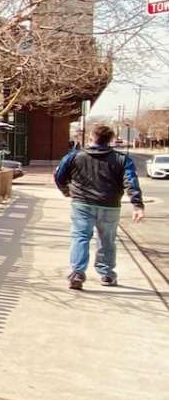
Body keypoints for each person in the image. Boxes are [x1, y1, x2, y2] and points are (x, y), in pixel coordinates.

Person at [55, 124, 144, 290]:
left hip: (82, 203)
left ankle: (77, 273)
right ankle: (107, 274)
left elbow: (59, 175)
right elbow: (131, 181)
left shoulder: (75, 156)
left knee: (80, 236)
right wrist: (137, 204)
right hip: (110, 204)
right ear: (110, 140)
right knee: (107, 240)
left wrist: (66, 191)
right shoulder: (122, 159)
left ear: (91, 137)